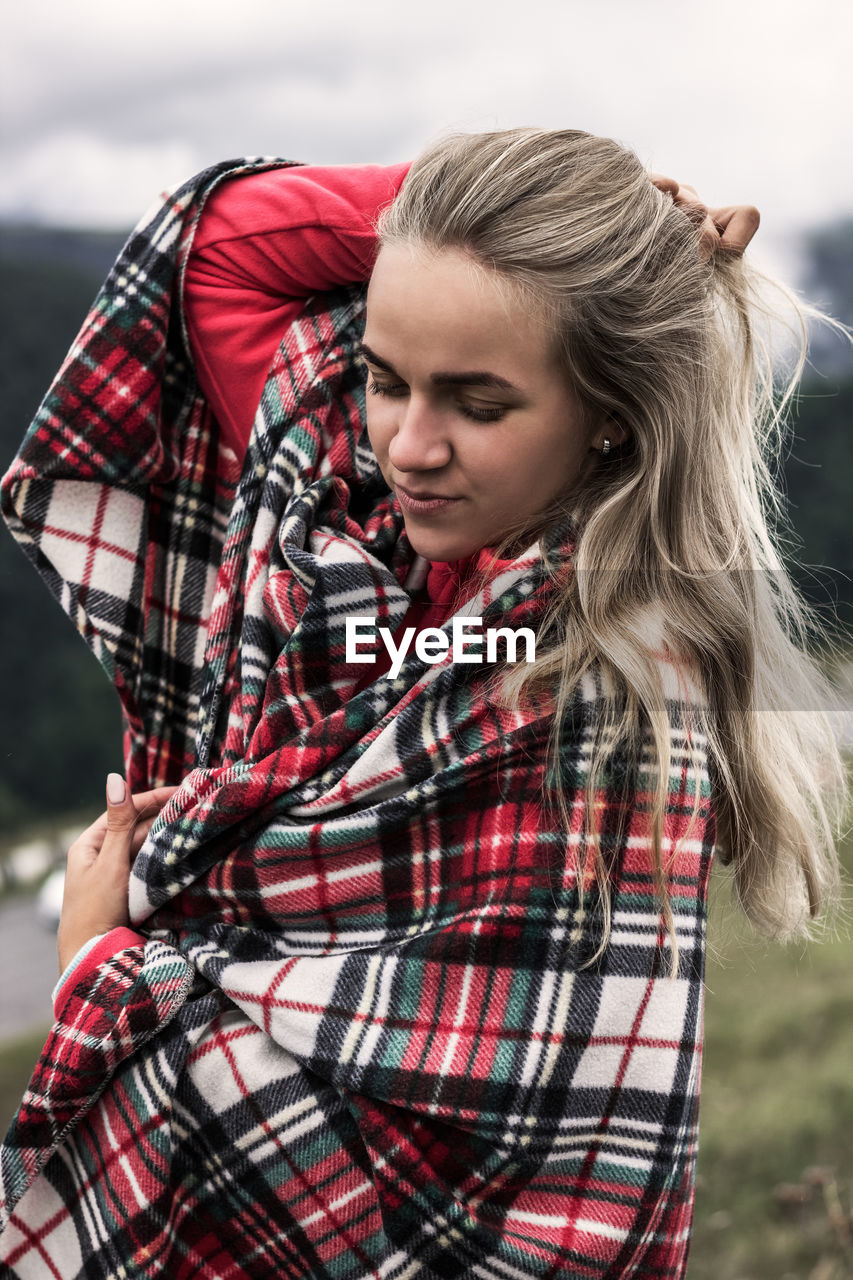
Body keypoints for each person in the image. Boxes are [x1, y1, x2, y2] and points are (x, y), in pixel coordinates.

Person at [0, 129, 845, 1279]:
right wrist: (453, 212)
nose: (408, 444)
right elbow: (215, 260)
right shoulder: (327, 504)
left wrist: (100, 962)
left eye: (479, 402)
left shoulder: (612, 699)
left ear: (609, 408)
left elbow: (429, 1204)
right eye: (386, 376)